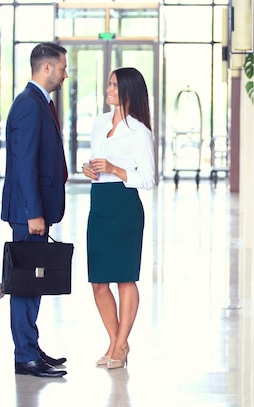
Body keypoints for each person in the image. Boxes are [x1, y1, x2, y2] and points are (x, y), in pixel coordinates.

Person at [1, 42, 69, 378]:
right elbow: (25, 163)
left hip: (35, 209)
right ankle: (25, 355)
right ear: (46, 68)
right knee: (26, 283)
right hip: (29, 213)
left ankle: (30, 347)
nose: (64, 74)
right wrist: (33, 212)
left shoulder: (39, 103)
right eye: (62, 68)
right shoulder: (29, 105)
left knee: (34, 281)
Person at [82, 67, 155, 369]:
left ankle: (120, 344)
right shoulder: (100, 123)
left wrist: (115, 169)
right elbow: (96, 161)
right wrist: (89, 168)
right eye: (109, 84)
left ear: (127, 91)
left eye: (113, 85)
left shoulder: (140, 132)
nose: (108, 88)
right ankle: (115, 341)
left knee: (125, 277)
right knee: (98, 281)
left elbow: (149, 179)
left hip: (124, 206)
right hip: (98, 204)